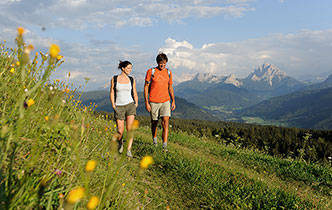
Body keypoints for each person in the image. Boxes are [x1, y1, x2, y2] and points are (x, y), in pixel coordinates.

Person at [144, 53, 176, 152]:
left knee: (165, 122)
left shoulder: (169, 73)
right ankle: (154, 141)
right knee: (154, 123)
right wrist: (146, 102)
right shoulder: (151, 71)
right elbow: (146, 87)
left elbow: (170, 87)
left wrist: (173, 100)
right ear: (157, 62)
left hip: (166, 101)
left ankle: (164, 146)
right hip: (154, 101)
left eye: (164, 63)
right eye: (161, 63)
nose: (162, 65)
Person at [110, 60, 138, 158]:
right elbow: (112, 93)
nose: (130, 70)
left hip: (130, 105)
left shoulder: (131, 79)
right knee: (120, 130)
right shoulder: (114, 79)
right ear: (123, 68)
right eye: (128, 68)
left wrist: (136, 102)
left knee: (129, 129)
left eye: (131, 68)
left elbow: (134, 91)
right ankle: (120, 143)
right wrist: (113, 105)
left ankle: (128, 149)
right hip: (119, 106)